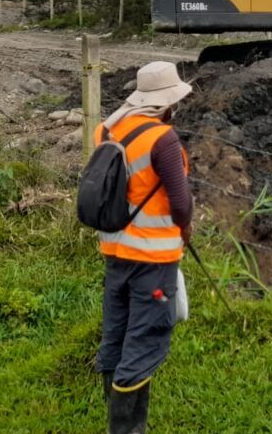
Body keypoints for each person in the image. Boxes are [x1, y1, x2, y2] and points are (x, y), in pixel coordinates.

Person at [94, 61, 194, 434]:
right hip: (153, 259)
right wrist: (186, 227)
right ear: (168, 102)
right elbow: (180, 203)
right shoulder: (162, 139)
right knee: (146, 337)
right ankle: (127, 428)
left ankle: (115, 413)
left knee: (116, 332)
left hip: (115, 252)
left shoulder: (106, 130)